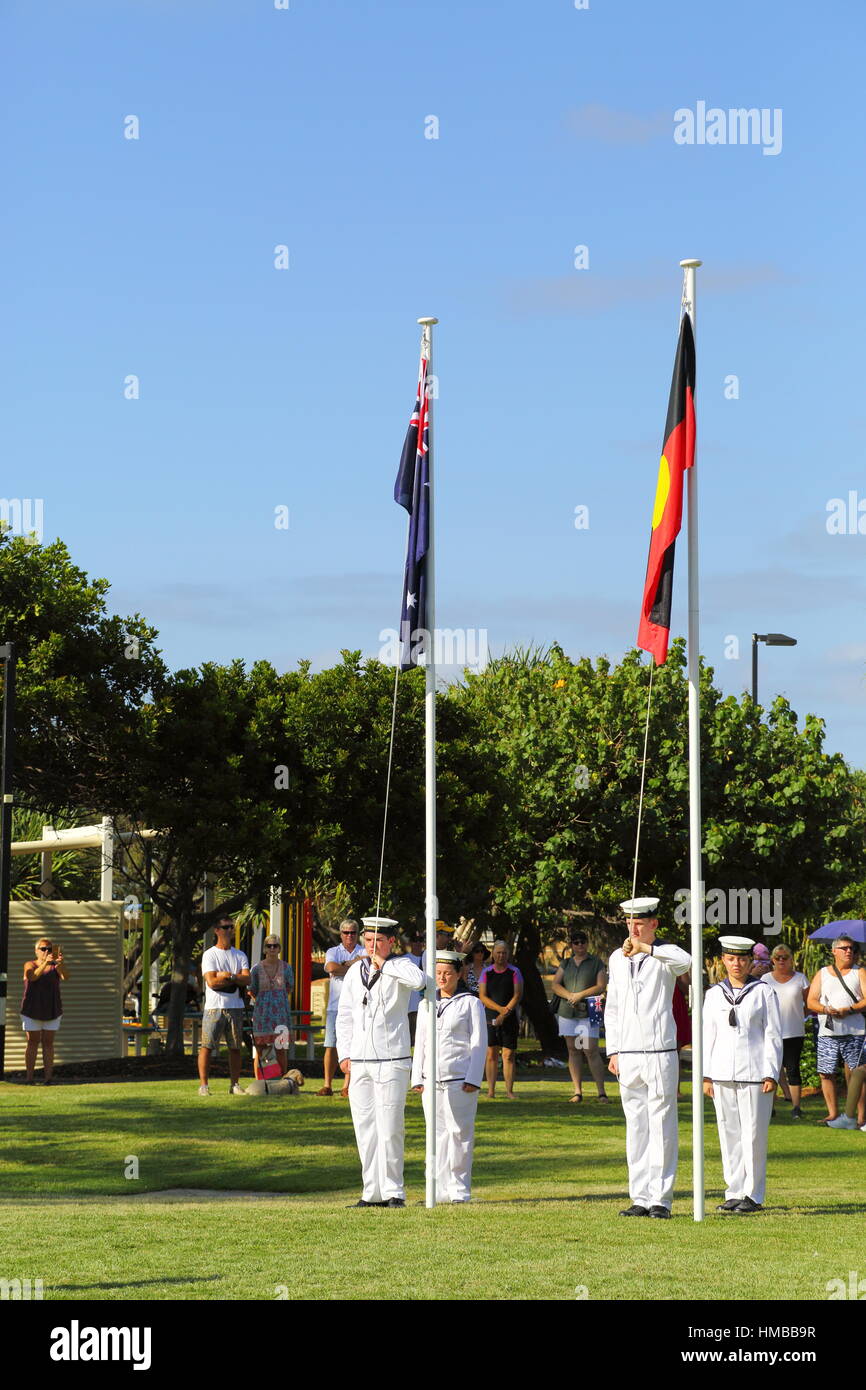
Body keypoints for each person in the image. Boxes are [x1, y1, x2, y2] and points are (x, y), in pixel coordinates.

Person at [604, 896, 690, 1219]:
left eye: (640, 922)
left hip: (660, 1052)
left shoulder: (665, 956)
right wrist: (612, 1049)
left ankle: (661, 1199)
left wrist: (647, 949)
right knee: (636, 1126)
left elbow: (686, 962)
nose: (634, 927)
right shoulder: (616, 958)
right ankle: (639, 1196)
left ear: (654, 924)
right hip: (628, 1053)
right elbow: (612, 1008)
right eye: (629, 922)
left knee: (662, 1124)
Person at [336, 916, 425, 1208]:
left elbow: (419, 981)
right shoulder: (353, 973)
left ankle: (393, 1191)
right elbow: (345, 1013)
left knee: (390, 1127)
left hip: (391, 1059)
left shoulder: (400, 967)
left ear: (391, 942)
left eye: (379, 941)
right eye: (368, 940)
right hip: (360, 1060)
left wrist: (384, 965)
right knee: (365, 1127)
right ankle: (370, 1191)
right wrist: (344, 1053)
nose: (372, 946)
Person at [703, 936, 783, 1214]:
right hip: (723, 1071)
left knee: (753, 1135)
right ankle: (734, 1190)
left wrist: (770, 1072)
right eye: (731, 958)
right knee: (729, 1133)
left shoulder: (763, 992)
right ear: (723, 961)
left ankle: (753, 1194)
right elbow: (707, 1036)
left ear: (750, 962)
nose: (737, 964)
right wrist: (707, 1075)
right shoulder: (713, 994)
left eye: (742, 959)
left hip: (754, 1072)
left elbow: (773, 1034)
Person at [412, 950, 487, 1203]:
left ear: (459, 974)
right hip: (431, 1080)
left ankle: (459, 1190)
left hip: (459, 1079)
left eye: (447, 973)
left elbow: (478, 1043)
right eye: (438, 973)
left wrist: (473, 1078)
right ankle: (437, 1189)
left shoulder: (470, 1003)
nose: (442, 978)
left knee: (459, 1134)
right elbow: (420, 1042)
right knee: (435, 1135)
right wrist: (417, 1078)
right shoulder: (426, 1004)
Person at [806, 935, 866, 1124]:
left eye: (852, 949)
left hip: (854, 1031)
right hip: (828, 1033)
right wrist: (825, 1009)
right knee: (826, 1072)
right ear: (834, 951)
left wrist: (848, 1010)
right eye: (845, 948)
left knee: (857, 1074)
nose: (849, 951)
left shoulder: (860, 972)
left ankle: (861, 1117)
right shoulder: (822, 973)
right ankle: (833, 1114)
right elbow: (811, 1001)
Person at [551, 930, 609, 1102]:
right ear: (572, 945)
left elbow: (600, 986)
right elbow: (555, 985)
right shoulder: (566, 963)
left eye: (582, 941)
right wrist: (570, 995)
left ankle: (601, 1092)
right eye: (576, 942)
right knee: (573, 1050)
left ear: (587, 943)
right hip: (568, 1011)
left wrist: (580, 995)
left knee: (591, 1050)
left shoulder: (596, 962)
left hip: (591, 1009)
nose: (579, 945)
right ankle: (577, 1091)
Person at [198, 916, 250, 1097]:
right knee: (207, 1046)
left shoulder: (240, 955)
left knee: (235, 1047)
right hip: (214, 1007)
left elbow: (247, 979)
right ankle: (204, 1086)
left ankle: (235, 1084)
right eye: (225, 927)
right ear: (216, 930)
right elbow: (211, 982)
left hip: (235, 1006)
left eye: (231, 927)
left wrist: (229, 977)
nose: (229, 930)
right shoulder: (210, 954)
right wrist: (232, 977)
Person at [317, 919, 365, 1097]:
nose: (349, 936)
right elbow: (330, 967)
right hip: (335, 1006)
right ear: (341, 934)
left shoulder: (365, 951)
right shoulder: (333, 951)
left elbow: (367, 967)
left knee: (355, 1046)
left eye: (353, 932)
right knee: (331, 1045)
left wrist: (343, 966)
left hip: (358, 1006)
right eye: (346, 933)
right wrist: (355, 964)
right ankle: (327, 1085)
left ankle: (348, 1085)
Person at [764, 944, 809, 1118]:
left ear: (791, 959)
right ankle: (770, 1106)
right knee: (772, 1069)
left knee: (792, 1069)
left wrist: (799, 1016)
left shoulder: (801, 978)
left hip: (794, 1032)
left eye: (785, 957)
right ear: (773, 960)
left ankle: (796, 1107)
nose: (781, 960)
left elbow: (809, 1002)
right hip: (771, 1031)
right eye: (778, 957)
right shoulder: (765, 979)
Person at [478, 941, 523, 1099]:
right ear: (493, 953)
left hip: (509, 1017)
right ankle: (491, 1090)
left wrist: (505, 1013)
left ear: (508, 954)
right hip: (490, 1016)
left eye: (504, 953)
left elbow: (517, 995)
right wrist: (499, 1010)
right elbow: (482, 996)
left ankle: (509, 1091)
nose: (501, 956)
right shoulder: (486, 972)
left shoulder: (514, 972)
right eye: (498, 952)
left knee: (508, 1055)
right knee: (491, 1054)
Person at [21, 938, 69, 1085]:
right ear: (36, 951)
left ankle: (48, 1078)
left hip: (52, 1009)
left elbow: (66, 976)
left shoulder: (55, 966)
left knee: (48, 1043)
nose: (46, 951)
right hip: (32, 1009)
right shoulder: (30, 964)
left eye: (49, 948)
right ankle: (29, 1078)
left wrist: (59, 964)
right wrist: (45, 964)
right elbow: (32, 976)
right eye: (43, 949)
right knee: (32, 1042)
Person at [248, 934, 294, 1078]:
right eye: (269, 946)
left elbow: (289, 987)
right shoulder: (256, 969)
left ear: (280, 948)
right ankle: (259, 1080)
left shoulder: (286, 968)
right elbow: (252, 990)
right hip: (262, 1013)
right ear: (264, 949)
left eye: (275, 946)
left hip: (281, 1013)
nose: (272, 948)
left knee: (280, 1048)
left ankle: (283, 1080)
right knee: (260, 1048)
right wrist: (263, 1001)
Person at [403, 929, 425, 1046]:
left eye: (420, 940)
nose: (418, 943)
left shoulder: (428, 959)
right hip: (408, 1006)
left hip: (423, 1006)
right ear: (410, 943)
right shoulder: (404, 960)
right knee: (408, 1040)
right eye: (415, 940)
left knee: (420, 1041)